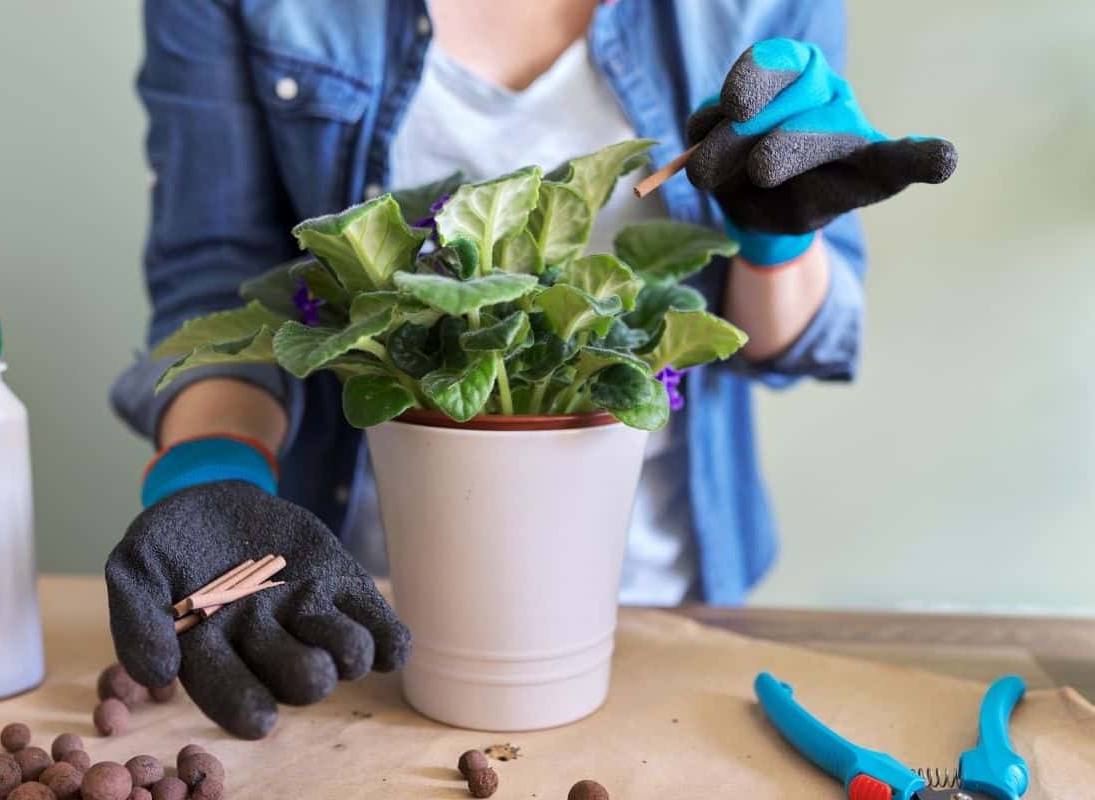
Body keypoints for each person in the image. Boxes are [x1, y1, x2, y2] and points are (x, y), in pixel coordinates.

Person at [107, 0, 956, 738]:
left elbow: (788, 338)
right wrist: (211, 475)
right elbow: (215, 273)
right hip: (355, 606)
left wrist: (782, 231)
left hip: (675, 608)